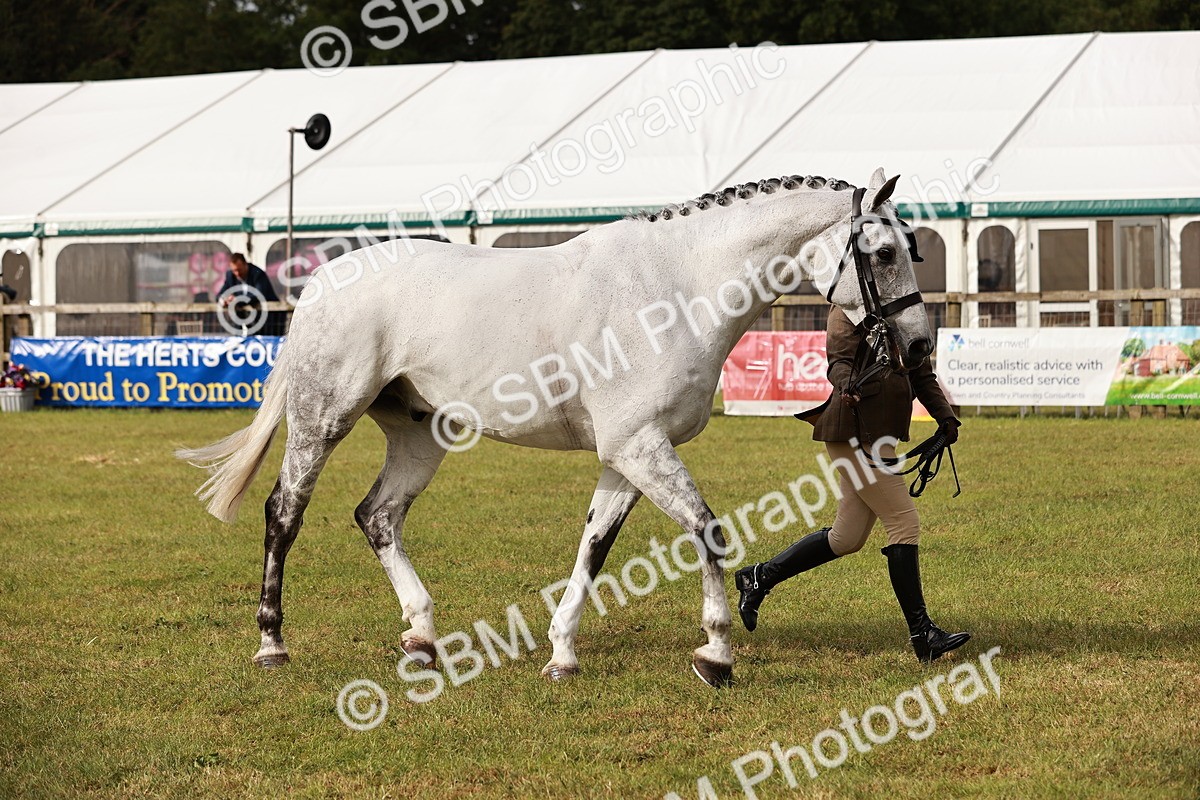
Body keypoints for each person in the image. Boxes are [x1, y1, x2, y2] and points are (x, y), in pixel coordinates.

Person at [735, 306, 971, 663]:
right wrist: (844, 386)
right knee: (904, 522)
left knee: (846, 539)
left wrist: (946, 417)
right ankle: (923, 634)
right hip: (852, 433)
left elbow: (923, 375)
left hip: (882, 438)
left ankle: (759, 577)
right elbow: (839, 360)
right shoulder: (847, 310)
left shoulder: (906, 314)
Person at [218, 253, 280, 334]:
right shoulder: (230, 276)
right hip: (248, 320)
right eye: (234, 270)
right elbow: (220, 294)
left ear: (245, 264)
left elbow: (258, 295)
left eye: (239, 270)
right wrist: (224, 300)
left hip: (270, 319)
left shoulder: (258, 274)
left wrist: (237, 300)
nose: (237, 273)